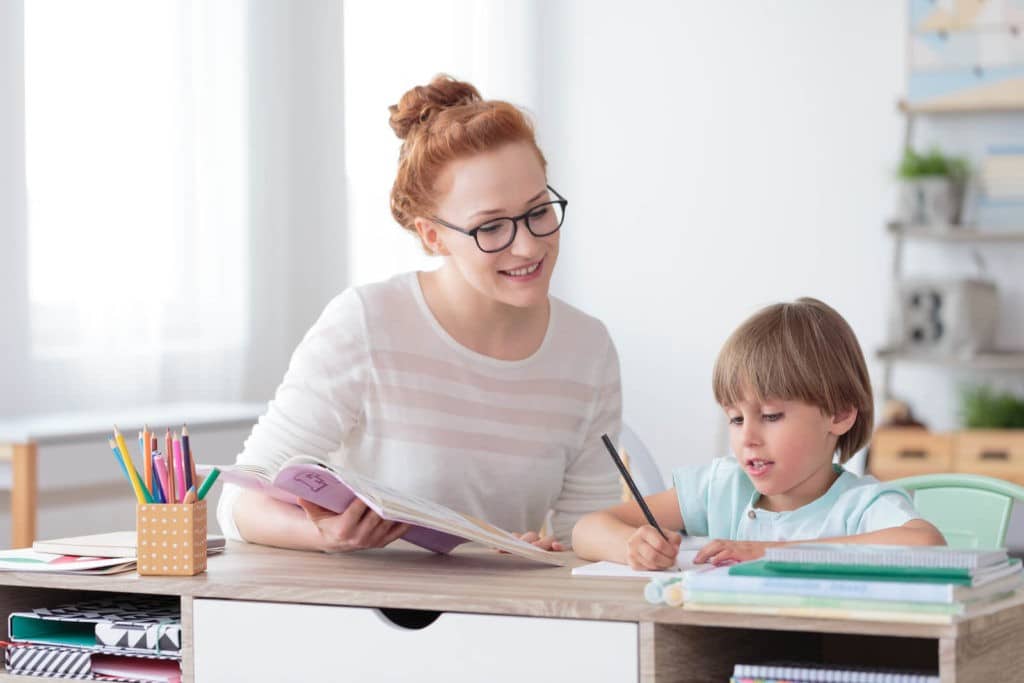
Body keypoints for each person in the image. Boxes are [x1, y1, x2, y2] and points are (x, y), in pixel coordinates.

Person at [217, 74, 622, 553]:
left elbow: (586, 534)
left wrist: (549, 551)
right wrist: (325, 535)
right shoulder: (366, 324)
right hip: (367, 613)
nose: (529, 245)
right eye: (491, 227)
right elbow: (240, 504)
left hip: (504, 617)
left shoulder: (588, 349)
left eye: (538, 212)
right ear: (432, 236)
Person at [572, 298, 945, 570]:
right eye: (735, 419)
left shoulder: (860, 505)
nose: (747, 437)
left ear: (840, 413)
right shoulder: (720, 488)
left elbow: (926, 543)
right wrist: (631, 547)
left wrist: (771, 550)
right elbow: (587, 528)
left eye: (770, 415)